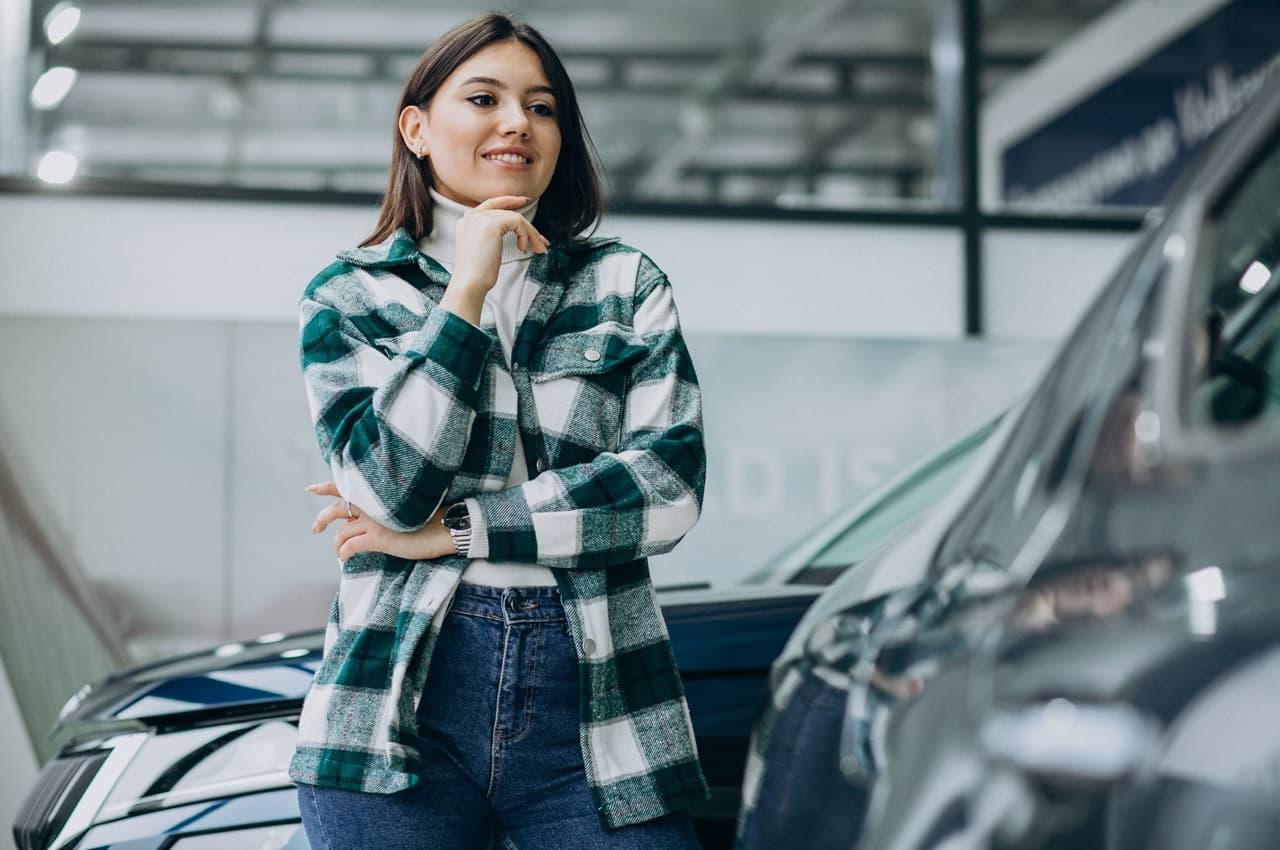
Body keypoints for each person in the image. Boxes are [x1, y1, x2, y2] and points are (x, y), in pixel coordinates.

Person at [288, 12, 708, 850]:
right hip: (395, 709)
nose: (518, 122)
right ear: (417, 128)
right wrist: (465, 297)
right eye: (484, 98)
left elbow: (668, 491)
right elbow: (385, 489)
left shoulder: (624, 282)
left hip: (604, 705)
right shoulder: (348, 297)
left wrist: (455, 531)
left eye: (543, 106)